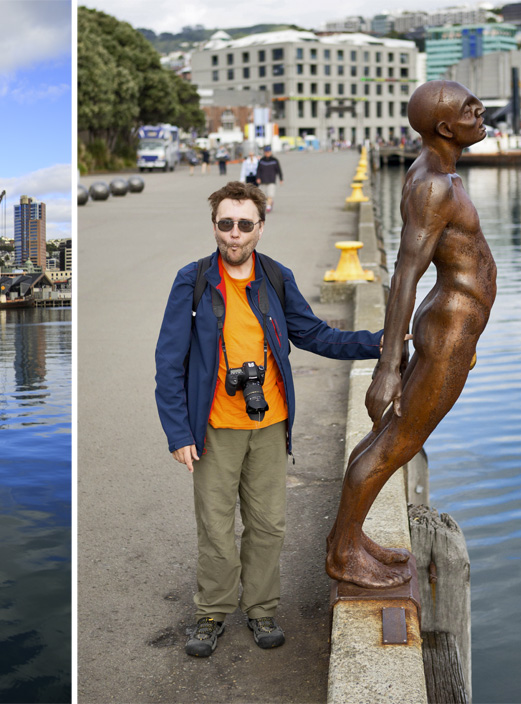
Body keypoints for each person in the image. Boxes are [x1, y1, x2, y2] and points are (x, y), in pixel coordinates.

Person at [153, 182, 384, 658]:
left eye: (243, 225)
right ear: (214, 225)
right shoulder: (192, 280)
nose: (233, 235)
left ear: (260, 227)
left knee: (268, 526)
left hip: (270, 423)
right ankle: (211, 613)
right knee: (215, 528)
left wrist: (376, 343)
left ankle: (261, 610)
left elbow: (314, 334)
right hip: (214, 428)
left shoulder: (276, 278)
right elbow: (169, 361)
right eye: (224, 224)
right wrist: (178, 432)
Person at [327, 81, 495, 589]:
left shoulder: (439, 175)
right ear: (446, 127)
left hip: (451, 327)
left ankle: (349, 540)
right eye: (470, 108)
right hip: (447, 330)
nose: (480, 110)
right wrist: (387, 366)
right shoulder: (434, 187)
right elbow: (405, 271)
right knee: (399, 442)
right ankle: (343, 554)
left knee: (386, 439)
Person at [255, 147, 284, 213]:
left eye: (268, 152)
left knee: (270, 195)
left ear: (270, 152)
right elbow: (258, 170)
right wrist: (258, 178)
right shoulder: (262, 160)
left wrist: (281, 179)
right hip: (263, 180)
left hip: (271, 180)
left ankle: (268, 207)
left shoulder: (274, 160)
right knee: (262, 196)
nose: (267, 153)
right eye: (266, 152)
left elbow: (279, 170)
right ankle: (270, 203)